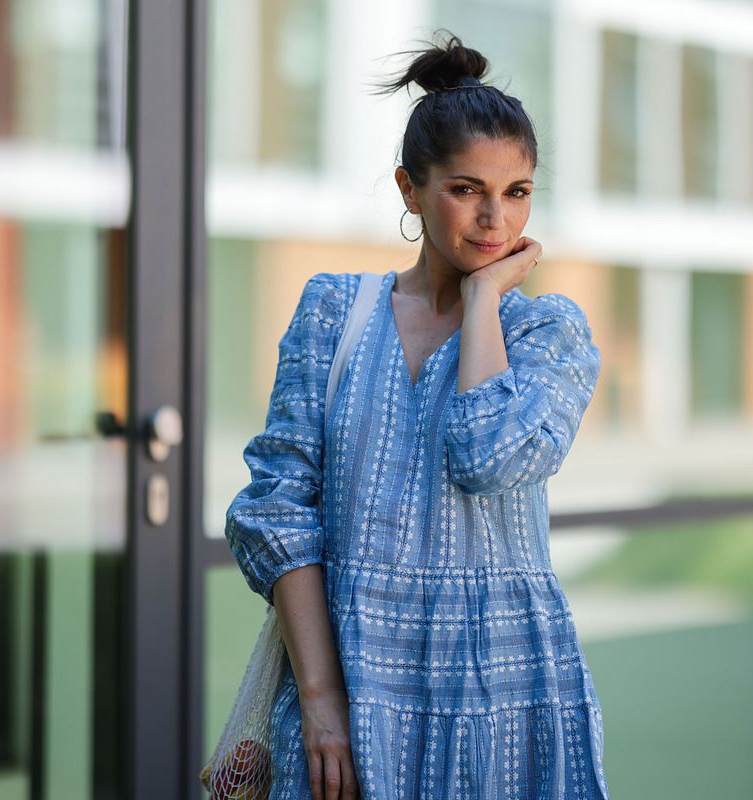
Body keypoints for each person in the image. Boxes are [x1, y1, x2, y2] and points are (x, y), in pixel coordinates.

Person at [225, 31, 610, 800]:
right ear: (410, 188)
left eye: (517, 192)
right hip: (347, 674)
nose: (495, 218)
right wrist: (321, 696)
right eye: (466, 189)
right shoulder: (333, 311)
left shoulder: (549, 332)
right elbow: (275, 511)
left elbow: (487, 456)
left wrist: (481, 303)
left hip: (501, 685)